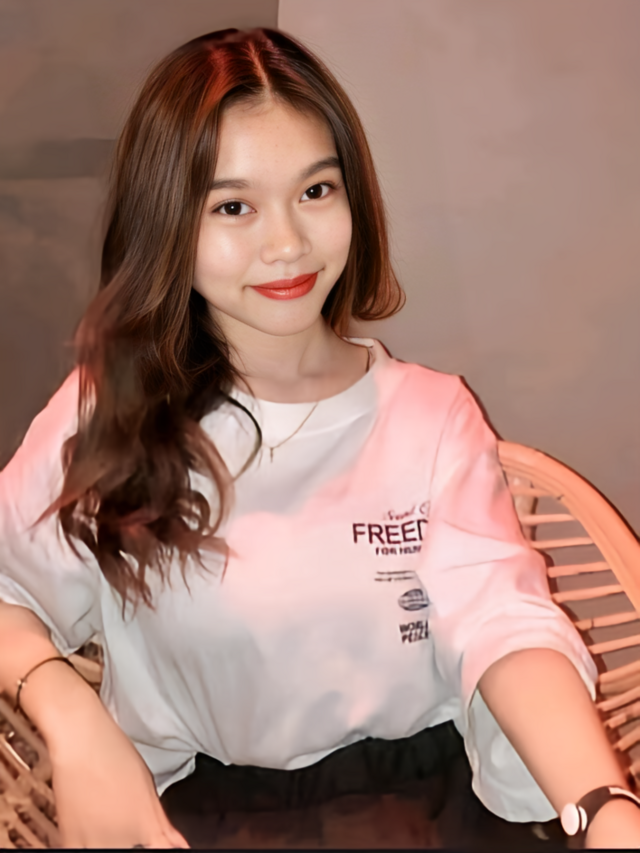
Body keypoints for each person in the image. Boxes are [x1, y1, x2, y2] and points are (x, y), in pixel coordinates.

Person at [0, 27, 638, 850]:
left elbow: (504, 623)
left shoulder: (431, 414)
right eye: (234, 206)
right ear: (167, 220)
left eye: (315, 190)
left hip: (431, 810)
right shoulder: (109, 408)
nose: (287, 244)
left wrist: (601, 803)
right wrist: (67, 710)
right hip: (208, 817)